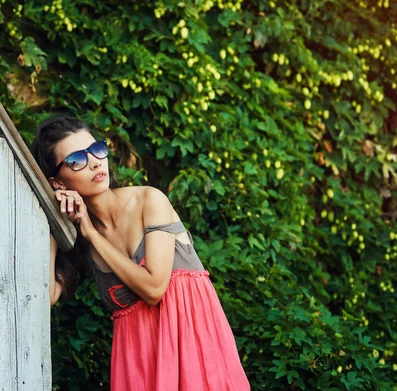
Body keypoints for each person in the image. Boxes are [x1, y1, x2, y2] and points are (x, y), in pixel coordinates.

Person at [30, 116, 250, 390]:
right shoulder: (80, 239)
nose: (96, 162)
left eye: (96, 150)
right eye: (77, 159)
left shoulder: (149, 200)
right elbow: (48, 295)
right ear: (58, 182)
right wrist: (51, 218)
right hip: (139, 367)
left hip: (194, 352)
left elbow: (155, 287)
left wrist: (93, 235)